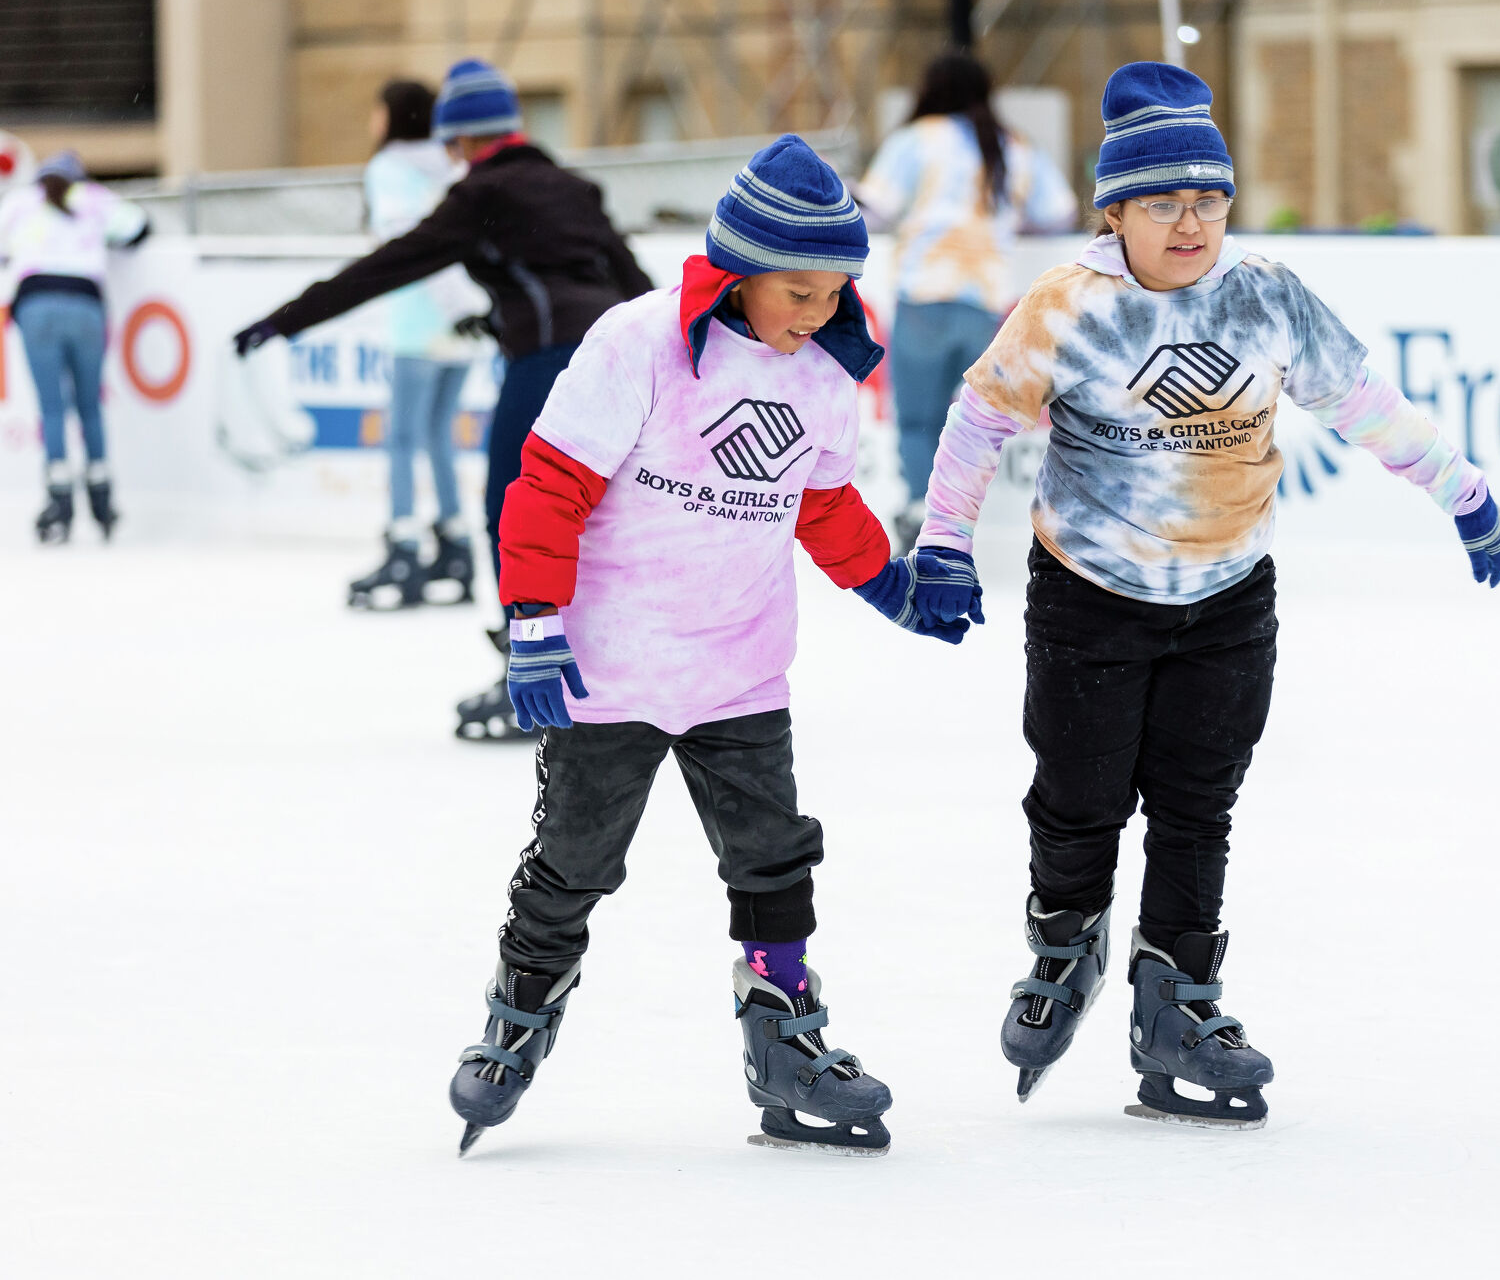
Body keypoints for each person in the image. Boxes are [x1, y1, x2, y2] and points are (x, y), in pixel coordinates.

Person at [912, 62, 1500, 1128]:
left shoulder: (1265, 296)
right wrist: (945, 543)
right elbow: (976, 420)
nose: (1190, 222)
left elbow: (1362, 403)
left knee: (1198, 805)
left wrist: (1456, 489)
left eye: (1209, 198)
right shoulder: (1067, 307)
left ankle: (1179, 997)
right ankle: (1062, 945)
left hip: (1229, 594)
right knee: (1080, 792)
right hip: (1091, 592)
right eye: (1163, 201)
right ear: (1116, 209)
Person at [442, 135, 978, 1158]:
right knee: (572, 861)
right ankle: (515, 1017)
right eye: (799, 291)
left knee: (772, 858)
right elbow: (548, 489)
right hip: (611, 664)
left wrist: (891, 589)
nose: (819, 314)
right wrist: (535, 622)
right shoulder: (638, 342)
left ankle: (783, 1037)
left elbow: (820, 503)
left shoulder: (822, 372)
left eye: (835, 293)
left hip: (739, 665)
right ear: (735, 270)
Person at [234, 59, 653, 736]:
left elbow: (387, 265)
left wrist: (285, 319)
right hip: (622, 361)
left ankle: (540, 671)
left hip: (549, 367)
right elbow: (630, 281)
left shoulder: (480, 195)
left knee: (513, 515)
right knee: (605, 518)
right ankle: (613, 661)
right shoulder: (574, 187)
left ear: (457, 141)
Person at [857, 51, 1077, 550]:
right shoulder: (1013, 147)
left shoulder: (916, 139)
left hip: (925, 296)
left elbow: (877, 207)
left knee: (917, 418)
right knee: (973, 423)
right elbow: (1061, 211)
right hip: (986, 306)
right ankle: (958, 519)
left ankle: (919, 511)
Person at [349, 79, 486, 610]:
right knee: (438, 436)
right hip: (464, 321)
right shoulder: (453, 163)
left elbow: (407, 243)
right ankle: (455, 544)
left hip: (419, 321)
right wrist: (467, 309)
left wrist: (449, 305)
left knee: (404, 437)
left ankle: (403, 543)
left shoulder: (388, 169)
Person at [0, 150, 150, 542]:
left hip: (36, 304)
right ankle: (101, 496)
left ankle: (58, 496)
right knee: (89, 407)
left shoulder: (19, 202)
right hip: (85, 305)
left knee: (52, 408)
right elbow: (139, 229)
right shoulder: (95, 199)